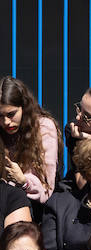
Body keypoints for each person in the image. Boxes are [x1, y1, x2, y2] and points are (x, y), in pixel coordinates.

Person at [0, 75, 60, 204]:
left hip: (34, 205)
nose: (6, 122)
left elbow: (46, 189)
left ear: (24, 107)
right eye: (0, 116)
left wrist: (23, 181)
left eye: (11, 114)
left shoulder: (43, 127)